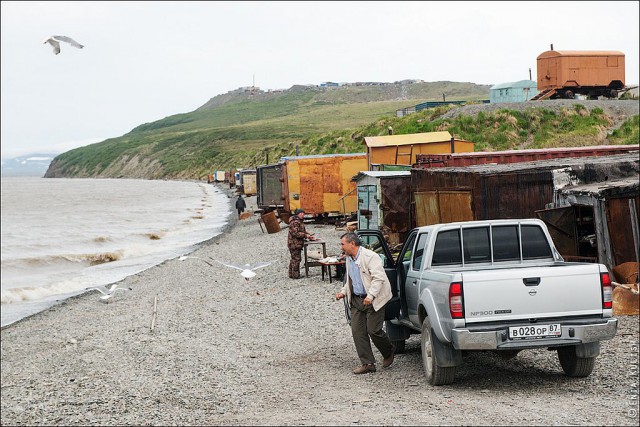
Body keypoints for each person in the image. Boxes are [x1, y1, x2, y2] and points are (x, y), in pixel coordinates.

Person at [335, 232, 395, 374]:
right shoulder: (349, 258)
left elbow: (378, 278)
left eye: (342, 244)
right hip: (356, 299)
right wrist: (343, 292)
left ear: (352, 244)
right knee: (357, 331)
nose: (341, 247)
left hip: (373, 298)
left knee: (373, 330)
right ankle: (368, 363)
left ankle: (389, 351)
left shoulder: (370, 257)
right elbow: (351, 279)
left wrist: (371, 295)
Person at [287, 208, 315, 279]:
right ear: (298, 214)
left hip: (296, 243)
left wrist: (307, 234)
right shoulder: (295, 222)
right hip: (294, 244)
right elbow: (295, 233)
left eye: (303, 213)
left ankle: (291, 274)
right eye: (301, 213)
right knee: (296, 259)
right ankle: (295, 275)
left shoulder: (299, 221)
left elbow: (300, 230)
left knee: (294, 258)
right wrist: (305, 235)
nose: (303, 214)